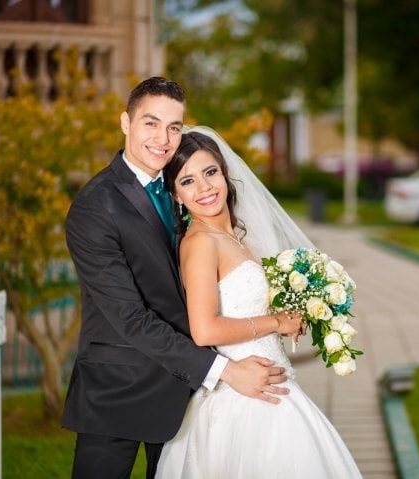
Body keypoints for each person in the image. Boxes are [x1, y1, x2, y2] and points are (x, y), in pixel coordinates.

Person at [61, 77, 303, 479]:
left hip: (187, 396)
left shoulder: (181, 190)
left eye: (174, 126)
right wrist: (225, 371)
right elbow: (131, 319)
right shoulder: (94, 208)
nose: (164, 138)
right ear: (125, 123)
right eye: (151, 123)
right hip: (121, 391)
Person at [155, 127, 362, 478]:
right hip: (242, 398)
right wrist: (276, 322)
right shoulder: (201, 243)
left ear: (224, 172)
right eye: (187, 181)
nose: (204, 188)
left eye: (210, 172)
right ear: (175, 194)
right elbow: (204, 330)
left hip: (273, 382)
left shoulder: (234, 235)